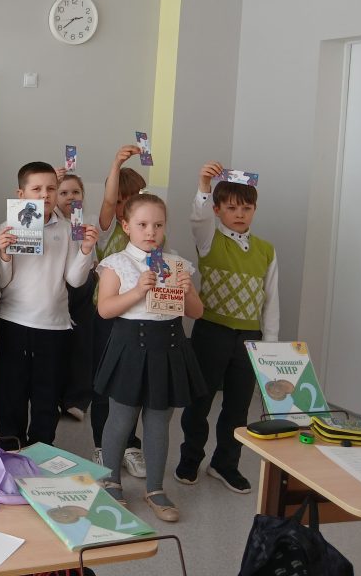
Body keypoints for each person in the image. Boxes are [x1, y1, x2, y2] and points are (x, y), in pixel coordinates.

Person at [94, 193, 206, 523]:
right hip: (130, 347)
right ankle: (111, 480)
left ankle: (155, 488)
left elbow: (197, 312)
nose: (150, 231)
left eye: (158, 225)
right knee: (121, 419)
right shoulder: (116, 263)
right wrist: (137, 291)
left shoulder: (176, 263)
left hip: (168, 347)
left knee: (159, 422)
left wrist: (188, 291)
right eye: (142, 224)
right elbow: (104, 309)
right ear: (126, 226)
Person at [176, 163, 279, 494]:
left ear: (255, 210)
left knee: (238, 406)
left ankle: (225, 464)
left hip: (249, 339)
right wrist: (204, 184)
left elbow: (271, 300)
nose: (240, 214)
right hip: (211, 332)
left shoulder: (266, 250)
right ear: (218, 210)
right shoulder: (209, 240)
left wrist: (268, 346)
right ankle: (190, 459)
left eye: (246, 208)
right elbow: (198, 218)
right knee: (200, 401)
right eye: (232, 208)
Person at [0, 162, 98, 450]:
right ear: (21, 194)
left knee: (47, 396)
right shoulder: (8, 226)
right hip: (14, 321)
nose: (45, 194)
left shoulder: (67, 229)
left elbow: (75, 280)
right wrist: (3, 254)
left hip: (54, 326)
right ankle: (11, 448)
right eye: (37, 188)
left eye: (51, 188)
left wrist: (86, 251)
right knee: (10, 393)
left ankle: (41, 451)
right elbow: (2, 281)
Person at [94, 145, 149, 477]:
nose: (124, 206)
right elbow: (107, 202)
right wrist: (116, 162)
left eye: (133, 200)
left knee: (131, 386)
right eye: (119, 200)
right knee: (105, 383)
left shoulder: (149, 233)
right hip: (107, 319)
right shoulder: (105, 229)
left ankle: (129, 444)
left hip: (139, 321)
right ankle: (102, 446)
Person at [57, 173, 96, 424]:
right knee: (57, 342)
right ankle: (56, 396)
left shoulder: (87, 221)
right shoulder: (50, 221)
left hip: (84, 286)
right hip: (56, 283)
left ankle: (77, 400)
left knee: (82, 342)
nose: (70, 197)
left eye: (75, 192)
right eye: (63, 193)